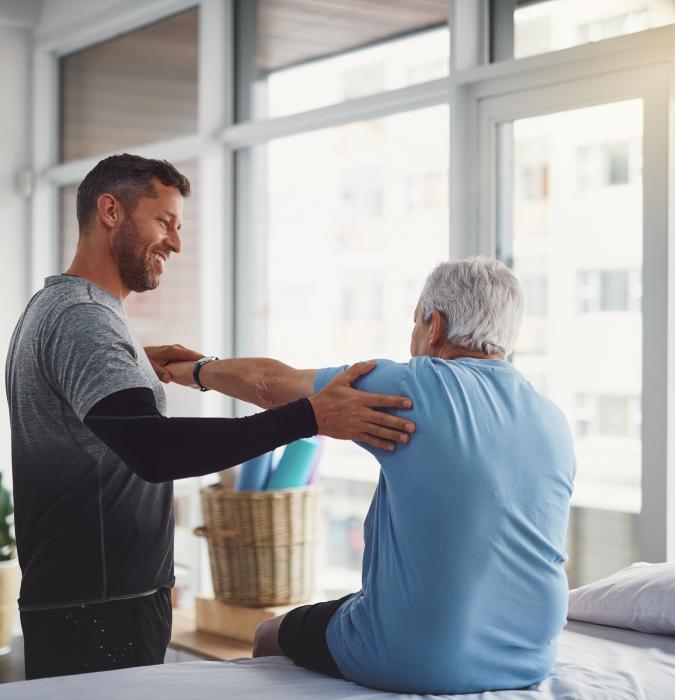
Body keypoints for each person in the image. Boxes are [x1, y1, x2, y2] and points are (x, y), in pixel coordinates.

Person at [4, 154, 415, 680]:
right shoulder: (83, 317)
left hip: (89, 601)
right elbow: (155, 451)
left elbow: (110, 434)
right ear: (110, 211)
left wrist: (171, 371)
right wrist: (308, 417)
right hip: (101, 608)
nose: (176, 243)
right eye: (164, 222)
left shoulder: (56, 309)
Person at [167, 257, 576, 695]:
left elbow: (271, 385)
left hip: (415, 658)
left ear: (434, 325)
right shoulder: (553, 419)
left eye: (416, 321)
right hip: (531, 657)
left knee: (269, 632)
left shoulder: (411, 386)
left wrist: (190, 370)